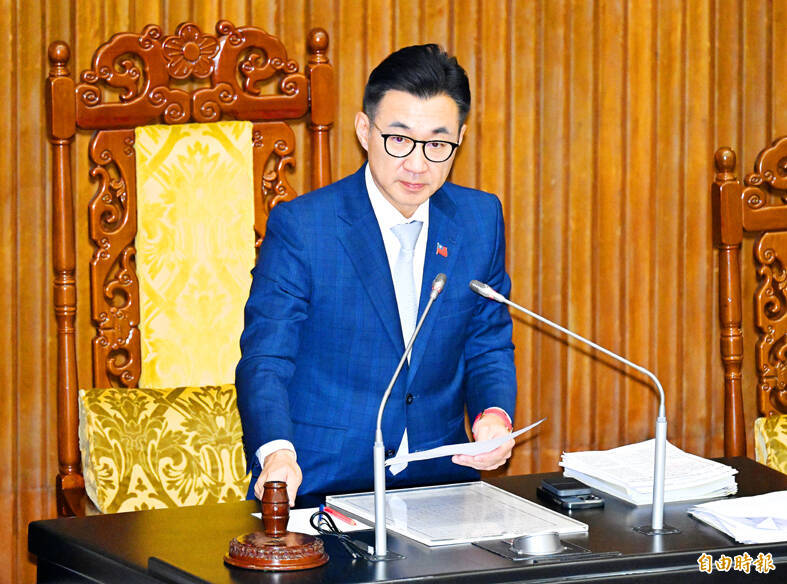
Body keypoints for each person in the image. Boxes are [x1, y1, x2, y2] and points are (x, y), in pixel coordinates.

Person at [236, 44, 517, 505]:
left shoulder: (479, 219)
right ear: (365, 130)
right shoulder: (305, 228)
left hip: (440, 482)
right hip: (319, 485)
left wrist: (494, 415)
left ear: (460, 140)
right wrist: (277, 453)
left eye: (438, 143)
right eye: (400, 139)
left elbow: (487, 341)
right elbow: (266, 359)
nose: (418, 163)